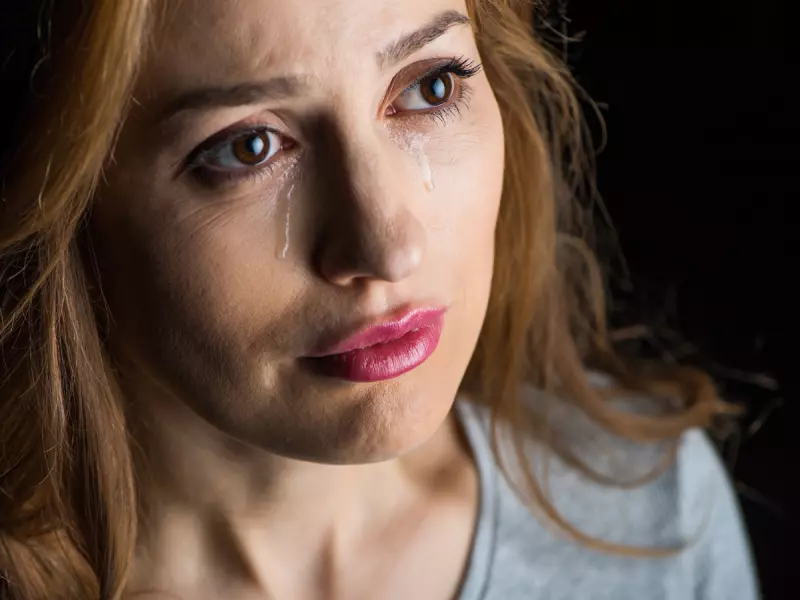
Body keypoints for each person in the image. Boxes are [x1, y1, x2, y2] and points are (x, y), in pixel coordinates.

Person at [0, 1, 759, 599]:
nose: (388, 249)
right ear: (64, 199)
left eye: (431, 88)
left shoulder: (650, 511)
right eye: (247, 147)